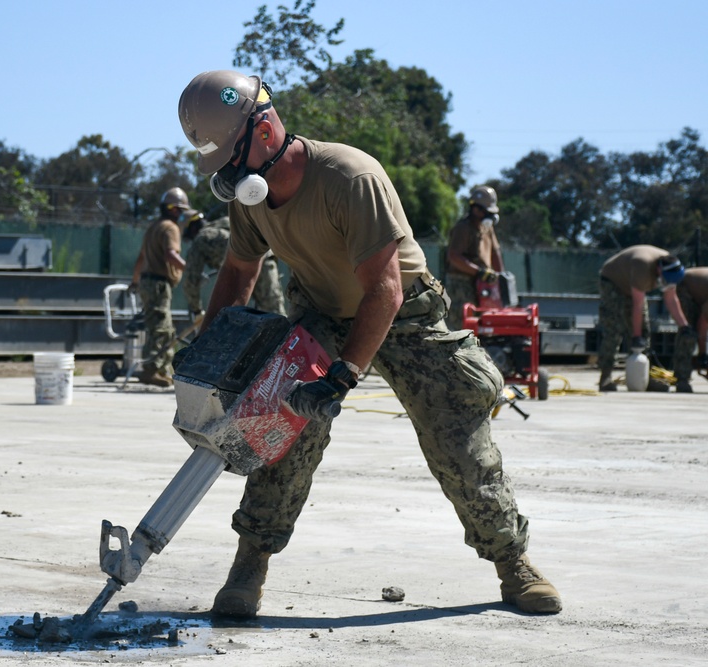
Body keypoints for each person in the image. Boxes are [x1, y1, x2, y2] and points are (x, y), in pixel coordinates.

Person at [176, 70, 561, 618]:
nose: (228, 177)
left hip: (404, 313)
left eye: (229, 161)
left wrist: (343, 374)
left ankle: (512, 562)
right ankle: (250, 563)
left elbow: (384, 288)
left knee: (457, 437)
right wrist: (206, 350)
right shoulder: (248, 195)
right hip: (322, 311)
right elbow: (239, 270)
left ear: (263, 132)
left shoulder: (350, 176)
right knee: (281, 427)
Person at [596, 245, 689, 392]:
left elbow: (671, 299)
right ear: (659, 271)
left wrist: (684, 326)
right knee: (614, 328)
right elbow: (637, 305)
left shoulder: (670, 265)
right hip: (613, 282)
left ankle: (644, 378)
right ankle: (605, 377)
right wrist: (636, 336)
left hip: (633, 284)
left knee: (644, 331)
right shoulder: (643, 267)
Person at [129, 187, 188, 387]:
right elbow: (171, 255)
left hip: (146, 282)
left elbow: (141, 257)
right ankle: (150, 370)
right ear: (173, 210)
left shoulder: (153, 227)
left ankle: (160, 369)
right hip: (158, 284)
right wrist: (189, 270)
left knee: (161, 326)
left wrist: (135, 281)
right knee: (161, 328)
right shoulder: (170, 228)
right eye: (179, 210)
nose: (180, 214)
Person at [181, 213, 287, 319]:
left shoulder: (201, 239)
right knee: (274, 310)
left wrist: (196, 310)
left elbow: (191, 280)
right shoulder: (227, 222)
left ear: (192, 229)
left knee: (232, 317)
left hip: (247, 268)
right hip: (266, 259)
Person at [445, 185, 505, 329]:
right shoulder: (463, 228)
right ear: (476, 209)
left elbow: (495, 252)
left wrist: (501, 278)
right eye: (487, 212)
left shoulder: (487, 228)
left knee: (482, 326)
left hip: (482, 285)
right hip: (461, 286)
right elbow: (454, 257)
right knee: (461, 326)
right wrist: (479, 272)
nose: (490, 217)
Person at [670, 266, 708, 393]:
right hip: (685, 286)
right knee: (689, 332)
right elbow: (702, 323)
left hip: (702, 291)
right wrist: (703, 354)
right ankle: (682, 379)